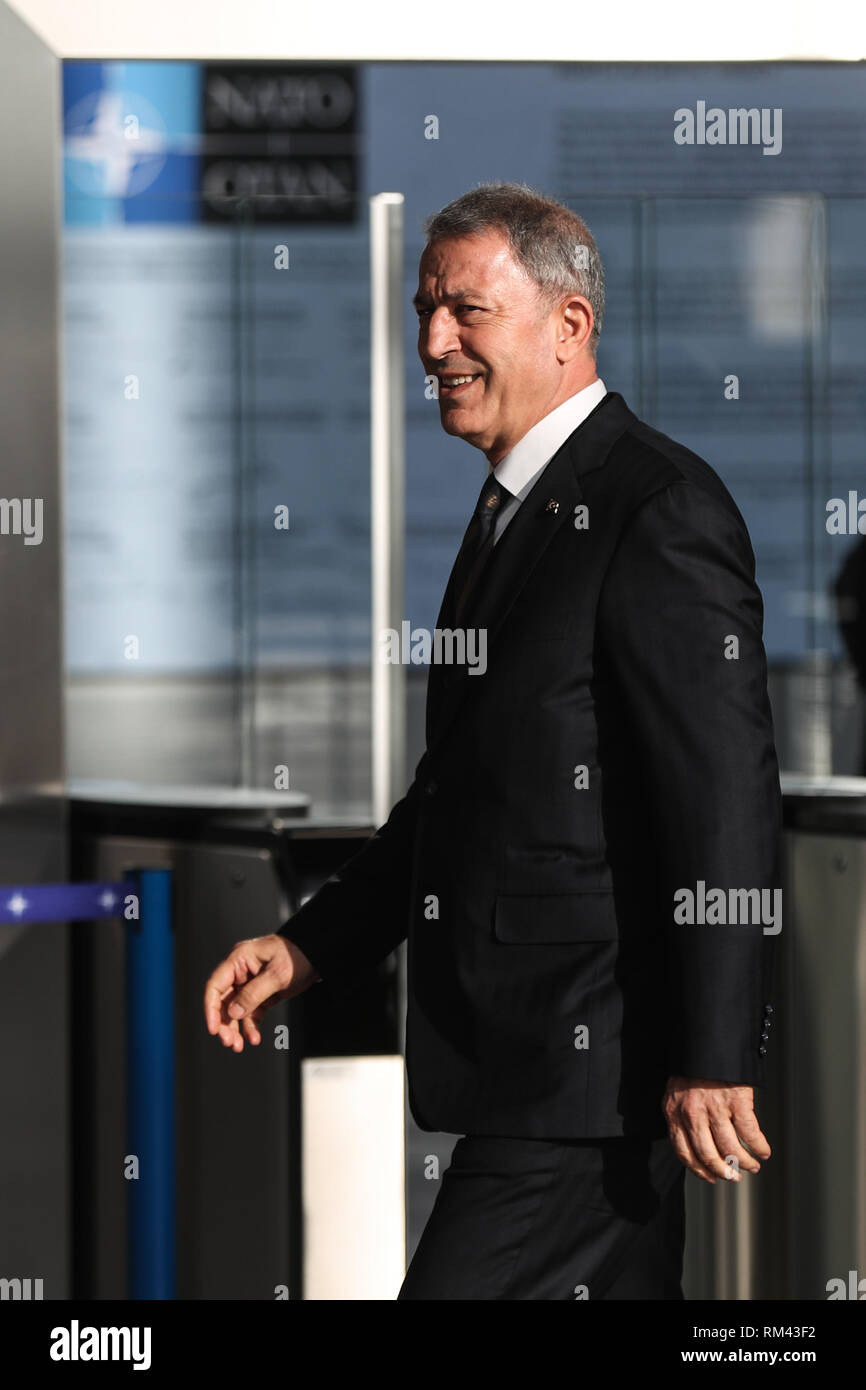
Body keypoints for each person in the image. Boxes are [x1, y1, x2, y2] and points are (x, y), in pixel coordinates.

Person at [204, 181, 782, 1300]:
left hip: (587, 1082)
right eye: (425, 310)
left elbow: (721, 796)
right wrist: (313, 943)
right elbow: (458, 788)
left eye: (464, 310)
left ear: (568, 325)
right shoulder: (509, 510)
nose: (431, 342)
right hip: (531, 1077)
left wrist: (715, 1049)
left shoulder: (654, 508)